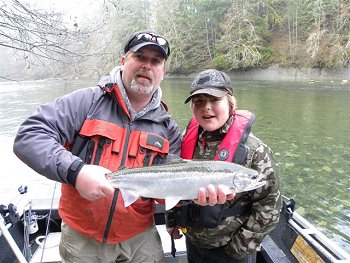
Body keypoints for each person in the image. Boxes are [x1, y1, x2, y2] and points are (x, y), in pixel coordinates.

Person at [13, 30, 232, 263]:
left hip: (140, 236)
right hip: (82, 236)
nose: (147, 66)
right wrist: (76, 172)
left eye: (155, 61)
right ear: (124, 61)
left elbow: (165, 194)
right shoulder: (85, 102)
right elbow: (29, 135)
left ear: (163, 72)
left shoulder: (167, 127)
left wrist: (194, 194)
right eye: (140, 57)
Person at [166, 69, 282, 263]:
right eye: (199, 101)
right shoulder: (187, 138)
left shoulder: (255, 151)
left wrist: (238, 248)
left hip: (231, 250)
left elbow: (269, 206)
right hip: (193, 243)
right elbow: (173, 182)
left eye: (215, 100)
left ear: (230, 103)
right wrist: (172, 220)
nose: (206, 108)